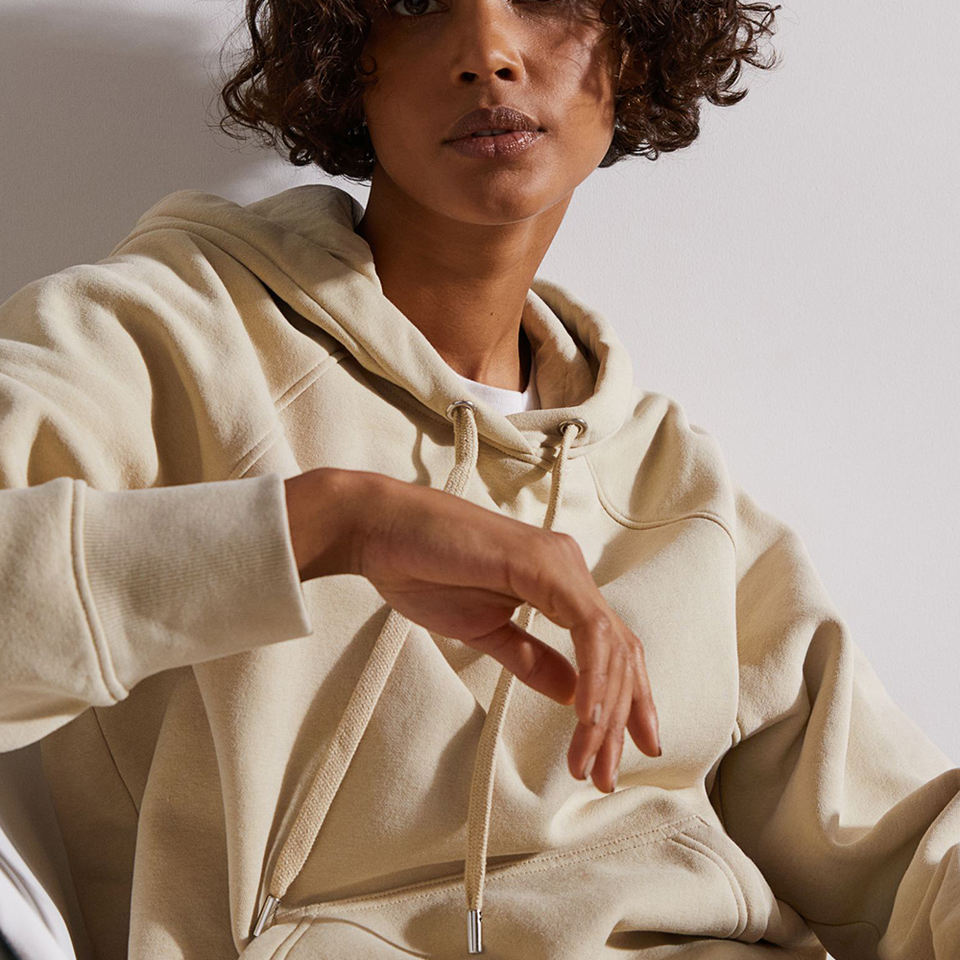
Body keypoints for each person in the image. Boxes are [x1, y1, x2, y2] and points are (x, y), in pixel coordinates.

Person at [0, 0, 957, 957]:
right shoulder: (167, 336)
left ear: (633, 42)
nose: (489, 53)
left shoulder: (670, 482)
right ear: (348, 56)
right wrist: (332, 525)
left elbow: (911, 850)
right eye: (419, 4)